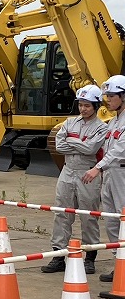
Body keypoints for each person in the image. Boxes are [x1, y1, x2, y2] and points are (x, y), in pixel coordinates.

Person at [41, 84, 106, 274]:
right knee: (62, 213)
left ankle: (90, 256)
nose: (83, 109)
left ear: (96, 105)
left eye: (87, 105)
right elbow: (59, 145)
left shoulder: (102, 128)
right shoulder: (69, 123)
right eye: (81, 104)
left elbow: (91, 149)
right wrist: (80, 143)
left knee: (88, 215)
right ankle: (59, 255)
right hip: (67, 171)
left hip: (88, 173)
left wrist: (72, 140)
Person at [82, 74, 125, 282]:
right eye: (106, 96)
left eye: (112, 96)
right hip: (111, 173)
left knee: (123, 217)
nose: (108, 100)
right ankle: (120, 265)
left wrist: (97, 168)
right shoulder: (114, 121)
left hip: (121, 173)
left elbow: (118, 151)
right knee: (111, 220)